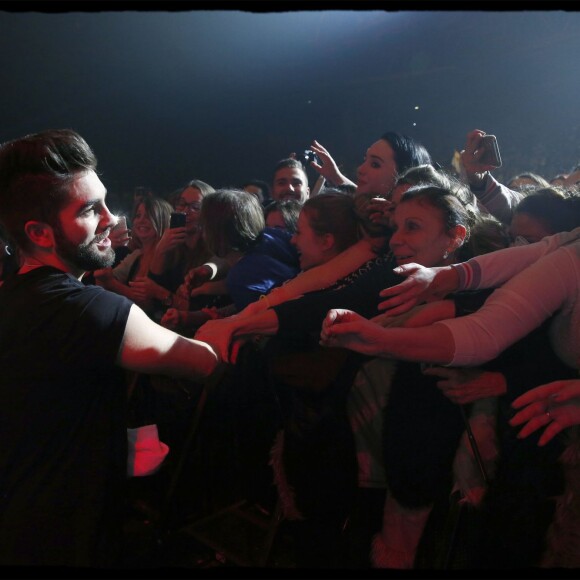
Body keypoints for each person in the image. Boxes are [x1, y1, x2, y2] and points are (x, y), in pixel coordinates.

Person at [0, 129, 220, 568]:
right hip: (59, 535)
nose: (110, 219)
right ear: (40, 232)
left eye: (104, 202)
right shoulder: (90, 312)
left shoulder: (10, 295)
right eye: (89, 210)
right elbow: (204, 363)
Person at [92, 195, 174, 318]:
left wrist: (112, 283)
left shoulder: (170, 256)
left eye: (148, 216)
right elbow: (102, 285)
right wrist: (109, 249)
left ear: (161, 220)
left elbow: (148, 305)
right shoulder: (136, 255)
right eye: (138, 216)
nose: (141, 220)